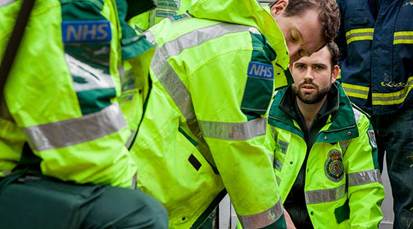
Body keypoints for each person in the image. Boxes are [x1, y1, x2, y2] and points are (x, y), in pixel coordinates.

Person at [128, 0, 340, 228]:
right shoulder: (248, 51)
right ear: (278, 7)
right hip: (141, 175)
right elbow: (241, 152)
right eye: (293, 37)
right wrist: (273, 223)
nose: (289, 52)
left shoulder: (219, 25)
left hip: (126, 154)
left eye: (301, 53)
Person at [0, 0, 167, 228]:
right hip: (11, 174)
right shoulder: (73, 6)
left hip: (20, 172)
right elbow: (85, 151)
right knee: (138, 216)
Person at [268, 42, 385, 228]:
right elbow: (251, 181)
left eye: (318, 67)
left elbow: (366, 196)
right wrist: (277, 219)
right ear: (290, 69)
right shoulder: (267, 116)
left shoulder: (356, 124)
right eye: (301, 66)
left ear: (334, 74)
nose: (308, 75)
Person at [335, 0, 413, 228]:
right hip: (354, 114)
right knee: (350, 192)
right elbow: (330, 45)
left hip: (406, 112)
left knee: (410, 199)